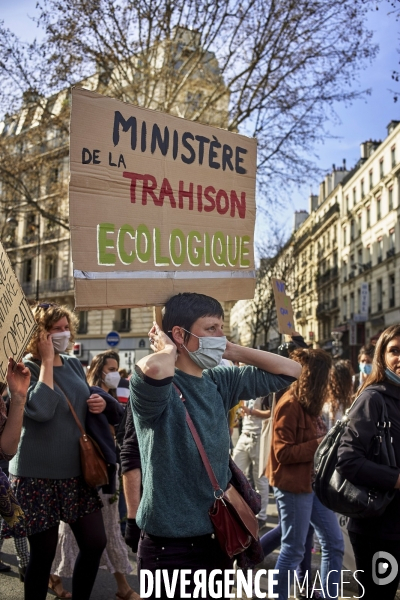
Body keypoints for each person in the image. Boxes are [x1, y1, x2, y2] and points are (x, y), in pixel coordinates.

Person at [125, 292, 301, 598]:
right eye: (211, 329)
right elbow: (153, 369)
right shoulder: (157, 386)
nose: (220, 335)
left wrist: (231, 349)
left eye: (222, 327)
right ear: (180, 334)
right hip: (168, 546)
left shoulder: (219, 380)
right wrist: (168, 347)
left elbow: (290, 371)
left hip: (217, 537)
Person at [2, 303, 107, 600]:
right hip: (37, 476)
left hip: (76, 473)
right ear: (39, 335)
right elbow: (42, 409)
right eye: (55, 330)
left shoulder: (74, 363)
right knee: (43, 555)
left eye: (66, 327)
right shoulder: (26, 367)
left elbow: (84, 399)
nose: (64, 334)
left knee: (95, 542)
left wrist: (100, 403)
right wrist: (47, 361)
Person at [266, 348, 344, 600]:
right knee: (293, 549)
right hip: (292, 485)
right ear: (316, 379)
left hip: (312, 485)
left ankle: (327, 595)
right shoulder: (290, 404)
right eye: (325, 378)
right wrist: (320, 443)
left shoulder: (308, 404)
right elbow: (282, 453)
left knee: (334, 543)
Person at [336, 324, 400, 600]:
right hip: (379, 528)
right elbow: (347, 459)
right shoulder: (372, 398)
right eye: (395, 350)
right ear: (382, 357)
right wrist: (396, 479)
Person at [232, 397, 271, 527]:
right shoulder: (247, 387)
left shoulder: (265, 389)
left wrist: (251, 411)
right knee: (234, 473)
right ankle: (239, 511)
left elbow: (271, 413)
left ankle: (261, 516)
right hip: (244, 435)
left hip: (259, 437)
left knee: (260, 479)